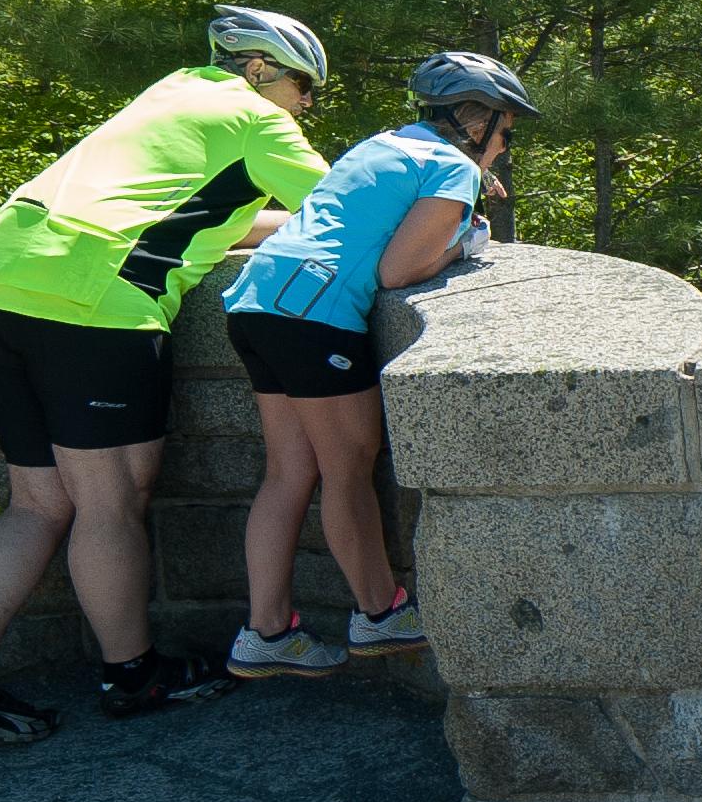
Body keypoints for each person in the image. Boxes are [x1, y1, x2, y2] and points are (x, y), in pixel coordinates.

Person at [0, 6, 335, 739]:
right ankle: (134, 675)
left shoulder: (172, 91)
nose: (307, 103)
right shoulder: (258, 120)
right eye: (304, 85)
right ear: (261, 69)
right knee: (109, 501)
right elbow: (343, 213)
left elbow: (199, 216)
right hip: (89, 305)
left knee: (37, 503)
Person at [216, 51, 537, 679]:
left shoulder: (384, 145)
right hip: (314, 313)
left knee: (288, 472)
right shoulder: (450, 166)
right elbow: (399, 270)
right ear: (477, 123)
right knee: (347, 469)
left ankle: (267, 631)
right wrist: (465, 240)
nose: (503, 147)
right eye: (505, 132)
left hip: (258, 301)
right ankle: (379, 614)